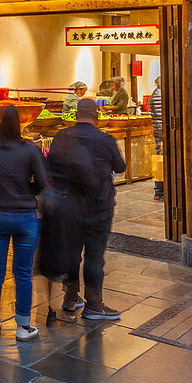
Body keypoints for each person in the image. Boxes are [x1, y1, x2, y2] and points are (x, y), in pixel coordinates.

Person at [0, 105, 48, 341]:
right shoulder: (30, 150)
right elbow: (42, 182)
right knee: (23, 273)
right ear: (19, 124)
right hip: (25, 215)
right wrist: (28, 191)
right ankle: (23, 325)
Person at [61, 99, 127, 320]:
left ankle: (70, 297)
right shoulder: (105, 139)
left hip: (69, 206)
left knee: (71, 254)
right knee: (94, 256)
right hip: (98, 206)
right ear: (96, 115)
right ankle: (94, 304)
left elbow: (51, 165)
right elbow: (121, 166)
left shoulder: (62, 136)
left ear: (76, 114)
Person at [38, 115, 95, 325]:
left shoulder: (59, 141)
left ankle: (52, 305)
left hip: (53, 207)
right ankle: (70, 297)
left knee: (52, 251)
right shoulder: (81, 154)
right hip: (74, 208)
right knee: (73, 254)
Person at [149, 76, 164, 200]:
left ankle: (159, 190)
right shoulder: (160, 94)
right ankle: (159, 190)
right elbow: (161, 117)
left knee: (160, 160)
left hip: (159, 132)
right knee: (161, 161)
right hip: (162, 133)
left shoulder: (156, 93)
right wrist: (163, 137)